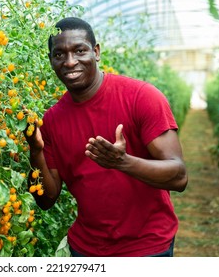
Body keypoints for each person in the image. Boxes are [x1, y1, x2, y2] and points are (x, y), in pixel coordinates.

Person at [24, 17, 188, 257]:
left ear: (96, 51)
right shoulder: (52, 120)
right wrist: (35, 151)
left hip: (146, 248)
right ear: (51, 60)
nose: (70, 62)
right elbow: (46, 200)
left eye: (79, 50)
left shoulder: (141, 97)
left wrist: (123, 162)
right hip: (86, 249)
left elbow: (179, 177)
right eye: (59, 54)